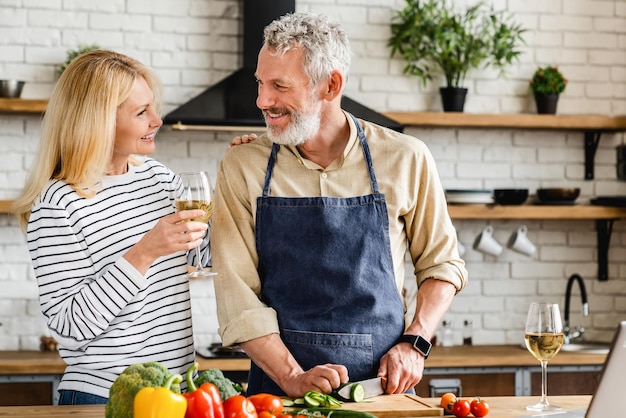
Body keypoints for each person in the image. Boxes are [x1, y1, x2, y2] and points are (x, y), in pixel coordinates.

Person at [212, 12, 468, 398]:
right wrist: (292, 378)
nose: (262, 100)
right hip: (278, 394)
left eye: (279, 86)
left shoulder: (406, 157)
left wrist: (415, 343)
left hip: (381, 390)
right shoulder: (243, 164)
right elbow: (237, 295)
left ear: (330, 85)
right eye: (261, 83)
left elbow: (442, 263)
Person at [12, 50, 210, 405]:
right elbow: (69, 324)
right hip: (104, 398)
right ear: (99, 122)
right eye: (141, 112)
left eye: (153, 107)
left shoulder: (161, 180)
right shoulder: (59, 203)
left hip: (175, 394)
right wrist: (144, 252)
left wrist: (244, 179)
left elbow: (205, 255)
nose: (157, 120)